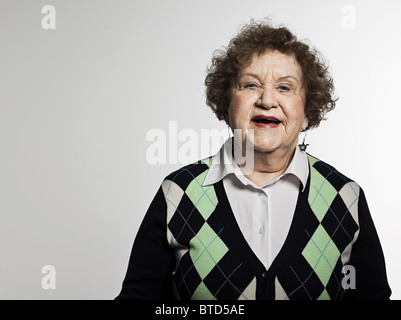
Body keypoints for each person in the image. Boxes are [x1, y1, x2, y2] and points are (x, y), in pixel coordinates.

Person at [115, 20, 391, 300]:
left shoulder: (344, 198)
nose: (267, 100)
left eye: (285, 88)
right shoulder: (178, 193)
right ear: (226, 103)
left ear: (308, 110)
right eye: (250, 85)